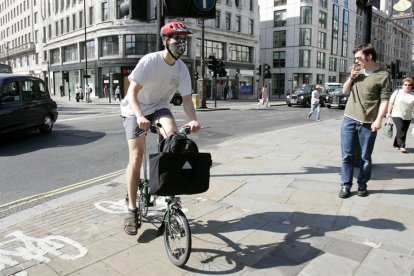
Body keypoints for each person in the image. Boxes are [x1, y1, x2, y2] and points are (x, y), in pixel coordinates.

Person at [120, 21, 200, 236]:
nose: (181, 44)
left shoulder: (182, 68)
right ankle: (131, 208)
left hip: (158, 108)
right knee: (136, 157)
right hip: (134, 109)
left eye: (185, 40)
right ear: (166, 41)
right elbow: (132, 94)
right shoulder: (151, 61)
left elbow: (185, 100)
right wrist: (138, 116)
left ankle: (170, 202)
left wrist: (192, 119)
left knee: (173, 140)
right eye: (177, 39)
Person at [339, 43, 391, 199]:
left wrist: (378, 120)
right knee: (346, 156)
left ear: (369, 56)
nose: (356, 61)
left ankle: (362, 185)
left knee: (365, 157)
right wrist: (351, 77)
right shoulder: (357, 72)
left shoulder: (383, 75)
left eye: (359, 57)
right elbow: (345, 91)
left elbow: (384, 100)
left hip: (368, 123)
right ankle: (346, 185)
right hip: (349, 119)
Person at [387, 77, 414, 153]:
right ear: (402, 85)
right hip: (396, 114)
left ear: (411, 86)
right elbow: (391, 103)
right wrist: (388, 113)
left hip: (407, 116)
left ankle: (396, 144)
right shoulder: (397, 92)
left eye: (409, 85)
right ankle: (402, 146)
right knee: (401, 128)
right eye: (405, 84)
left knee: (403, 131)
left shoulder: (413, 95)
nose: (407, 86)